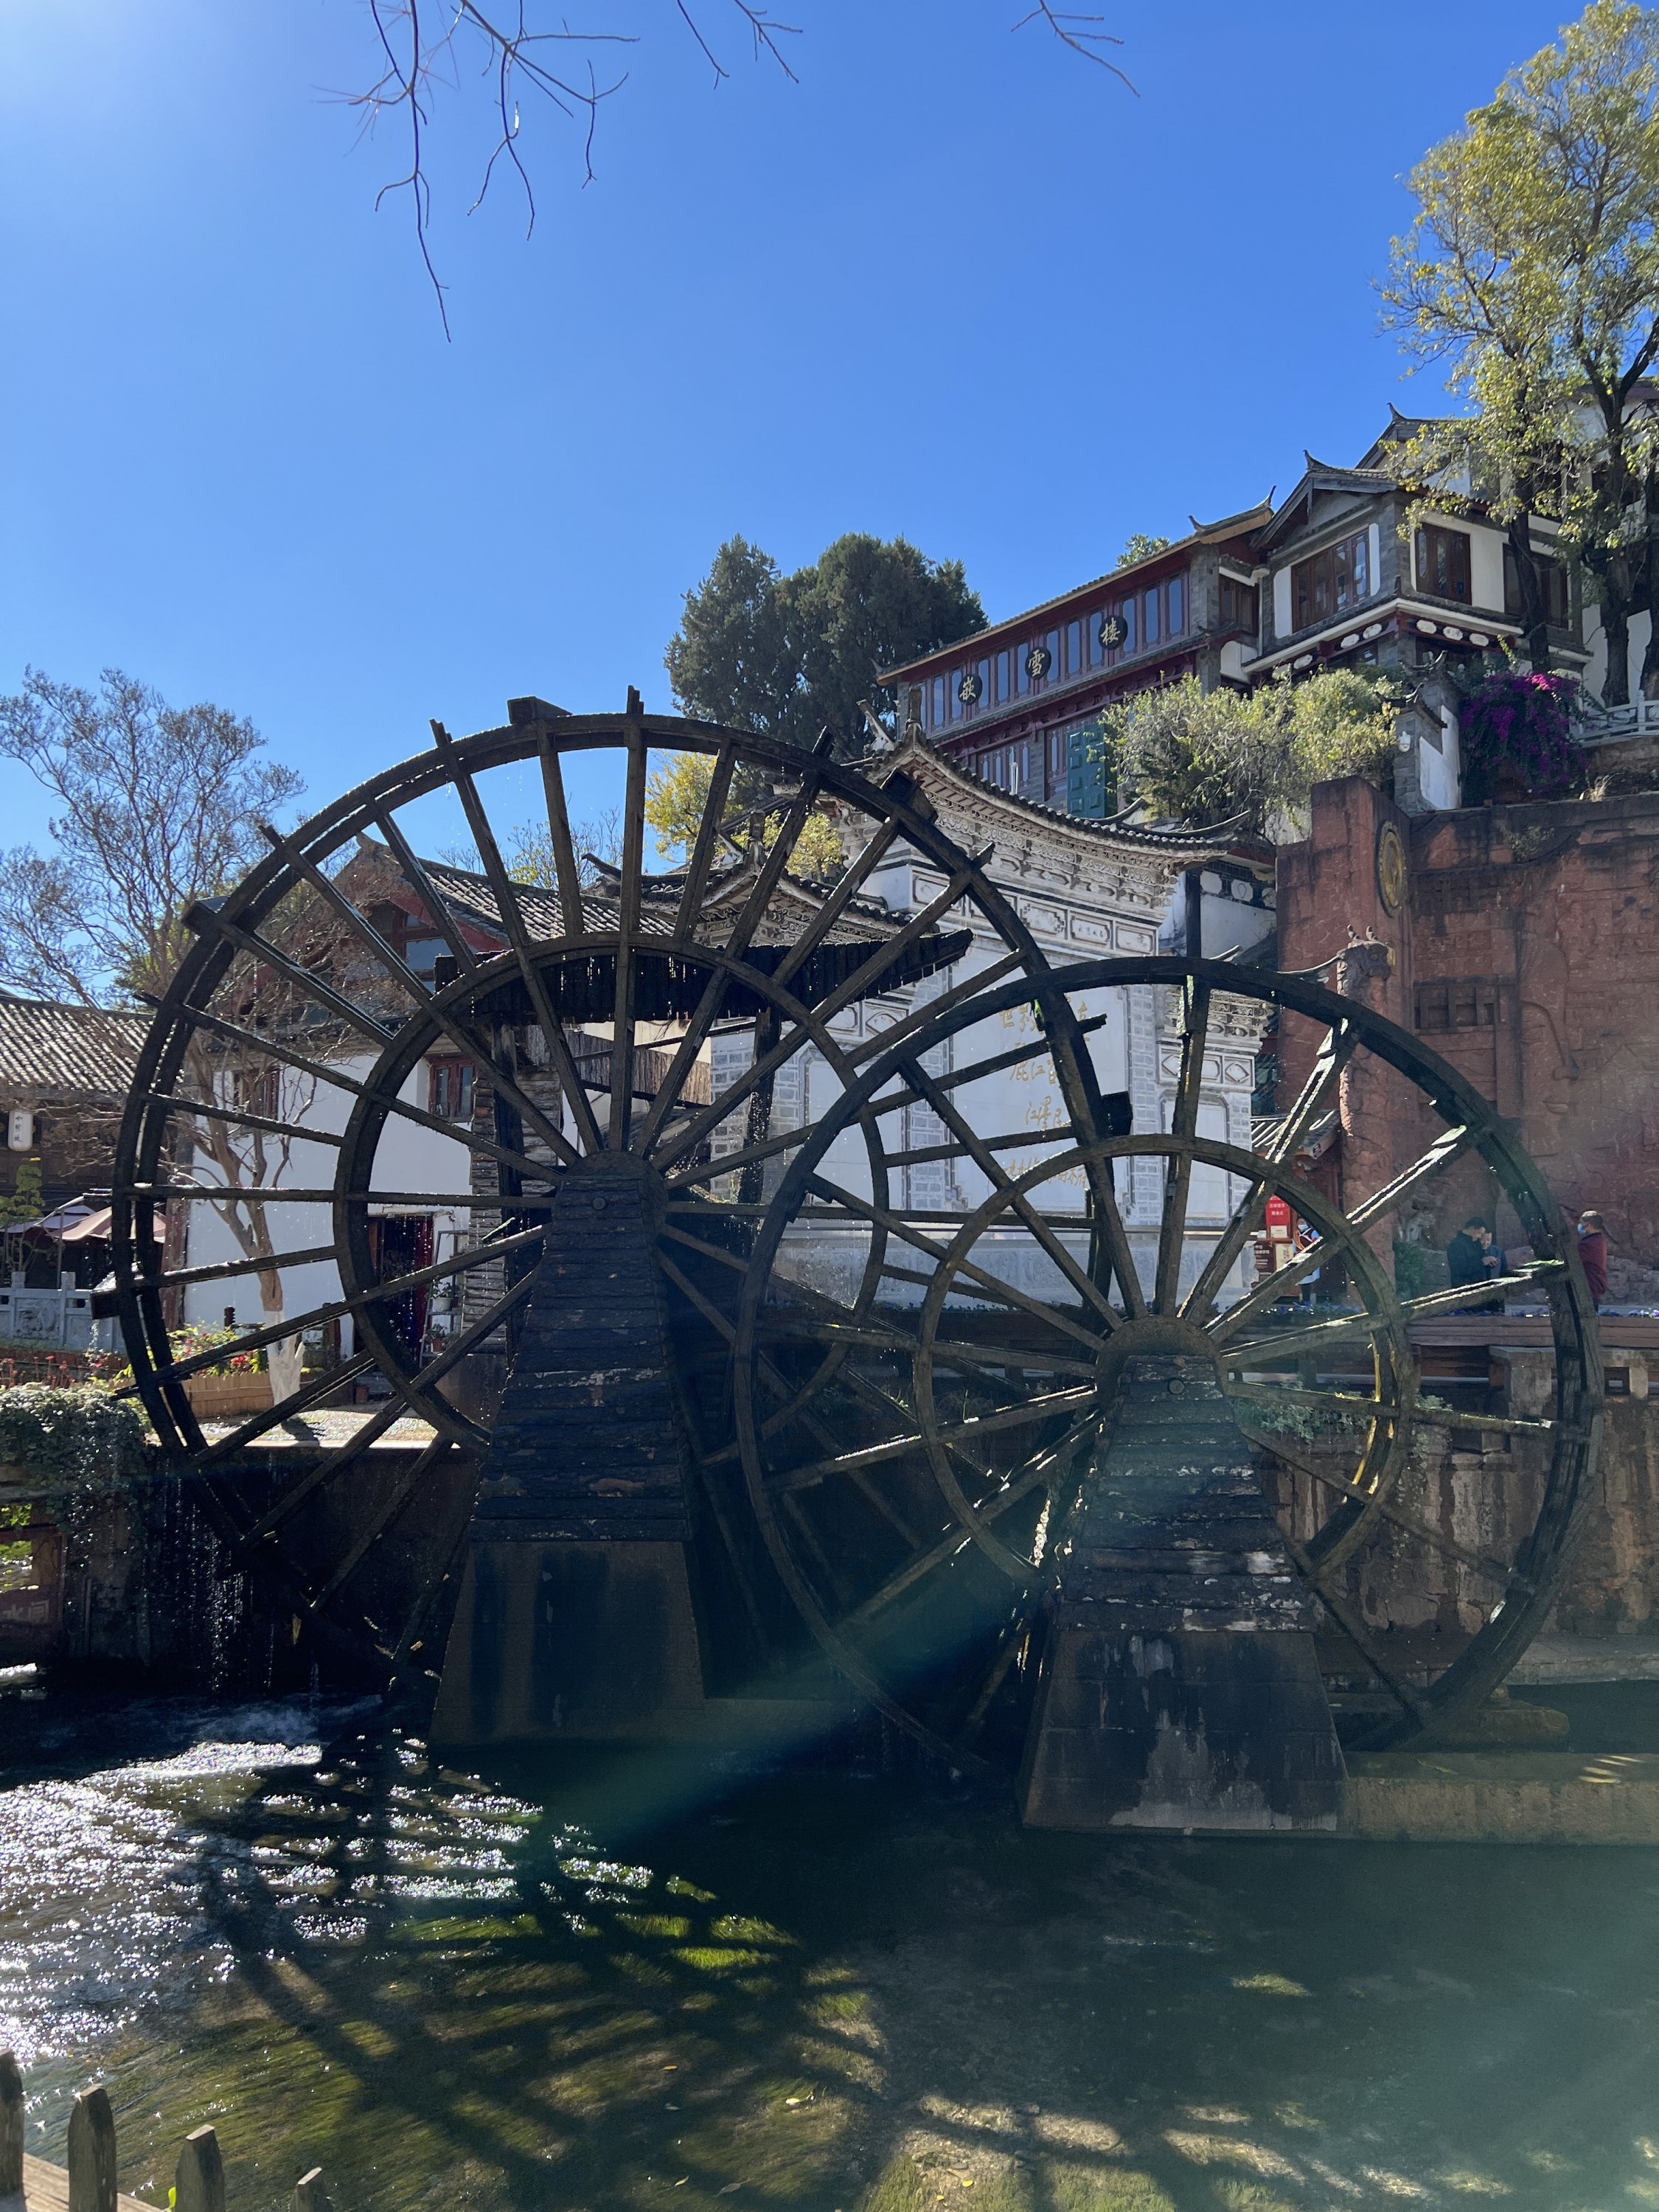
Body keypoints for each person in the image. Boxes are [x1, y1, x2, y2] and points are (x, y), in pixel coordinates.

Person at [1447, 1217, 1502, 1295]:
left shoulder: (1475, 1243)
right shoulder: (1456, 1245)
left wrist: (1490, 1262)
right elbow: (1459, 1269)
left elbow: (1482, 1258)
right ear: (1472, 1229)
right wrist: (1481, 1263)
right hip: (1464, 1287)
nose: (1480, 1236)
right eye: (1479, 1233)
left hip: (1480, 1286)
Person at [1576, 1211, 1610, 1307]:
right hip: (1595, 1287)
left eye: (1581, 1223)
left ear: (1588, 1225)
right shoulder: (1599, 1240)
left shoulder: (1588, 1244)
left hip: (1589, 1289)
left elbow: (1573, 1260)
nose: (1579, 1226)